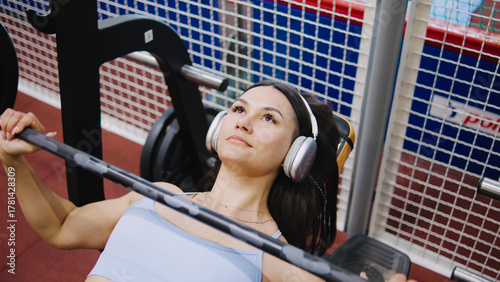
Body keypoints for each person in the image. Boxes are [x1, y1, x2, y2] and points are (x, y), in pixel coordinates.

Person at [0, 79, 415, 281]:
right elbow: (61, 226)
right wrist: (13, 164)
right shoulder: (158, 196)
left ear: (295, 155)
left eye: (268, 118)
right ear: (218, 126)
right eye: (238, 109)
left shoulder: (277, 258)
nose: (245, 121)